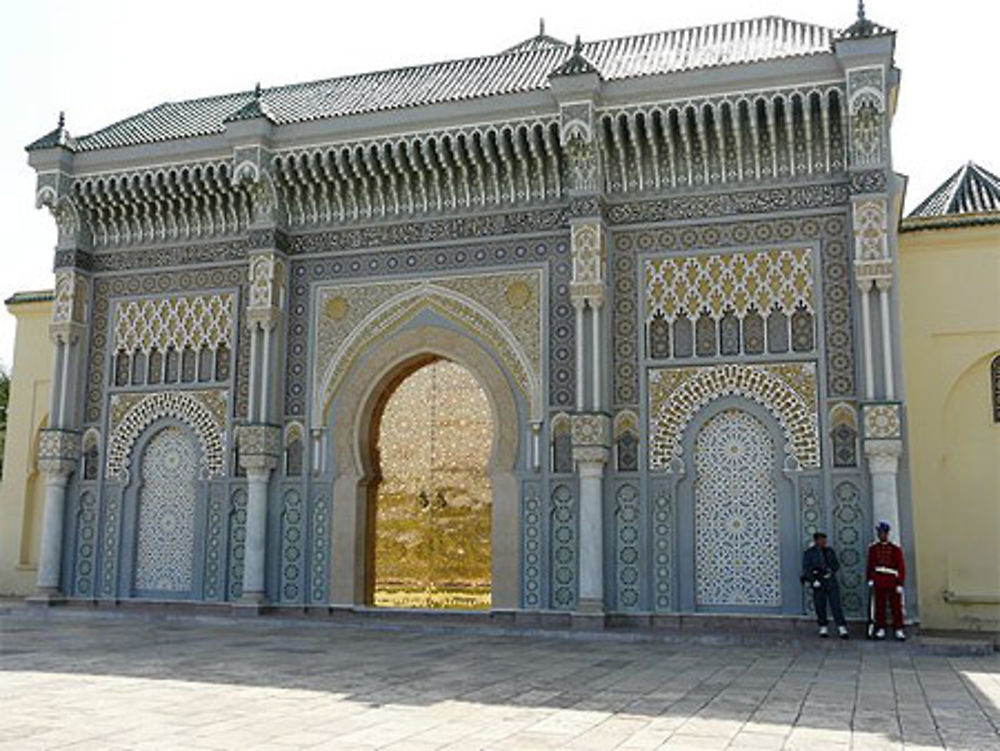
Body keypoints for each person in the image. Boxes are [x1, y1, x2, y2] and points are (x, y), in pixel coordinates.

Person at [801, 532, 849, 638]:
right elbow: (807, 568)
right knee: (820, 605)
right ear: (816, 541)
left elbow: (836, 565)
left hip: (830, 581)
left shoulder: (829, 551)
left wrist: (830, 571)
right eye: (821, 540)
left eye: (824, 540)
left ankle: (841, 627)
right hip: (818, 582)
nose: (824, 542)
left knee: (836, 605)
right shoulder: (809, 553)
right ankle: (823, 627)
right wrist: (813, 580)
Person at [866, 520, 906, 641]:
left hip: (892, 579)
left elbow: (901, 567)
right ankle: (880, 628)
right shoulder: (873, 549)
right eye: (879, 533)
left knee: (896, 606)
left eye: (883, 533)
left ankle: (899, 628)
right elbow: (870, 565)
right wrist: (870, 578)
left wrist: (900, 583)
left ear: (887, 534)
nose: (881, 535)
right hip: (879, 579)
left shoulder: (895, 549)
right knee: (880, 605)